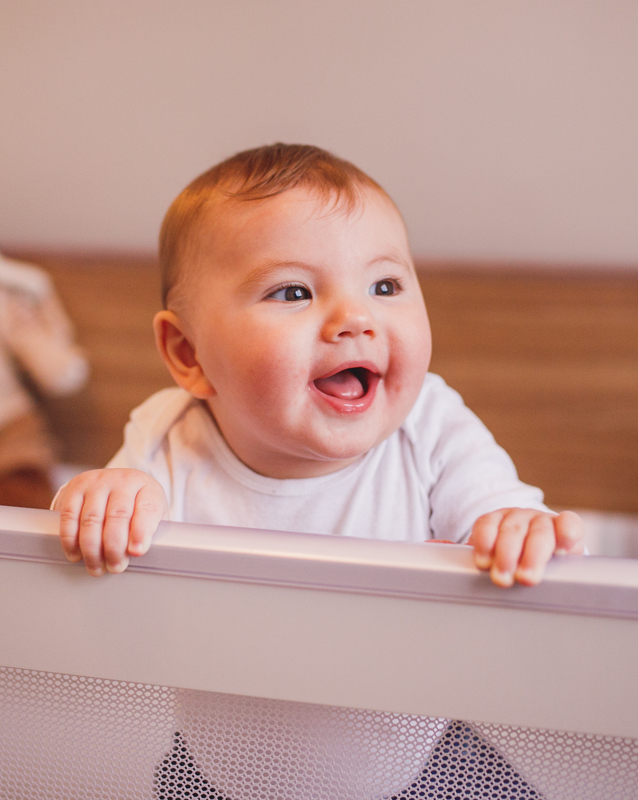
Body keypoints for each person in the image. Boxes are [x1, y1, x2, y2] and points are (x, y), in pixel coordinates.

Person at [52, 143, 583, 587]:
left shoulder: (432, 427)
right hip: (217, 718)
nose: (356, 317)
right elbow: (85, 544)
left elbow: (507, 522)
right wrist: (102, 502)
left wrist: (518, 531)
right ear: (189, 354)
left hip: (402, 712)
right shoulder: (164, 441)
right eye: (293, 291)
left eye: (384, 285)